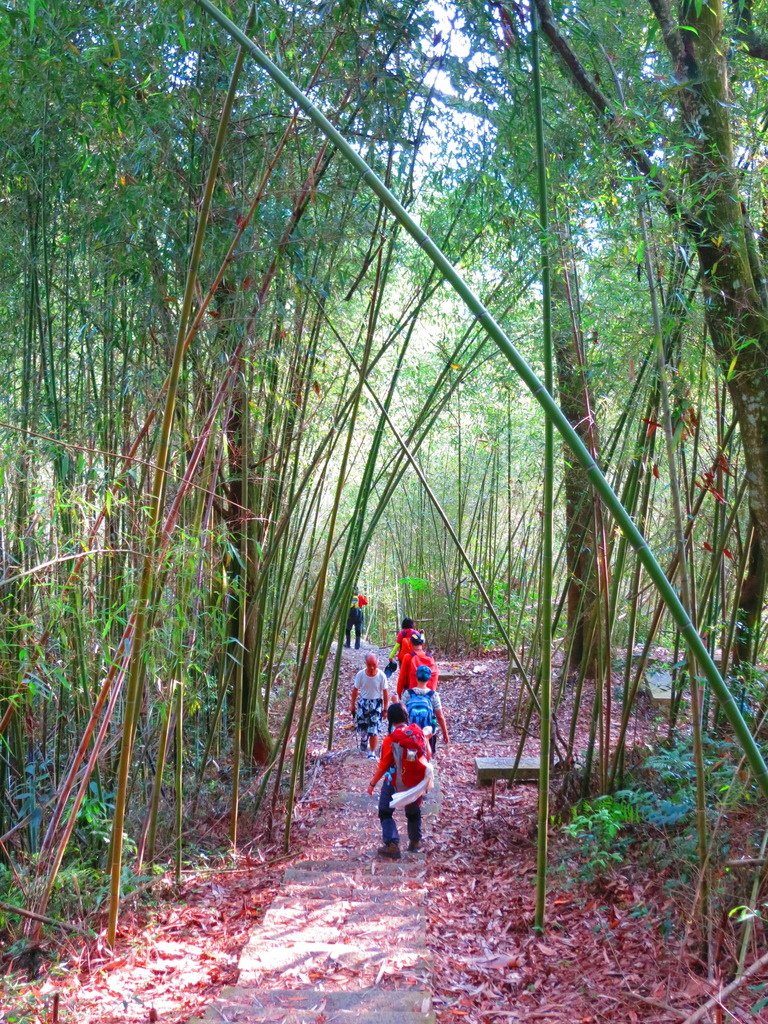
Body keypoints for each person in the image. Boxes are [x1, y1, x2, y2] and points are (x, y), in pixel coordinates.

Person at [367, 703, 430, 857]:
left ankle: (392, 844)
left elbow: (383, 766)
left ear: (390, 720)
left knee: (385, 810)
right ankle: (415, 841)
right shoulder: (417, 732)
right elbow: (427, 754)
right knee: (413, 809)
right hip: (416, 780)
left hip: (396, 781)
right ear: (406, 716)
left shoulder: (391, 739)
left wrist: (372, 784)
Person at [402, 664, 449, 755]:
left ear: (416, 677)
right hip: (428, 732)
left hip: (410, 732)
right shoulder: (433, 695)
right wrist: (445, 733)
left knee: (409, 755)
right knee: (427, 755)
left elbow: (401, 712)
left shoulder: (408, 693)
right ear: (429, 679)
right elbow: (439, 716)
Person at [351, 653, 388, 758]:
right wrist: (352, 705)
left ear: (378, 663)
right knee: (363, 728)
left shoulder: (381, 676)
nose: (372, 667)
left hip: (376, 705)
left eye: (374, 664)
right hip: (363, 703)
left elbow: (385, 693)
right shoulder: (360, 675)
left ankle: (372, 752)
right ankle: (364, 739)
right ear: (365, 664)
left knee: (374, 729)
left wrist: (385, 709)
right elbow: (355, 690)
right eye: (369, 665)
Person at [397, 630, 439, 697]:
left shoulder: (408, 657)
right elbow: (435, 675)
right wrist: (432, 692)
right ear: (422, 644)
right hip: (428, 694)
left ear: (411, 643)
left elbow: (402, 677)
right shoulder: (430, 657)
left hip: (412, 693)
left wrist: (399, 693)